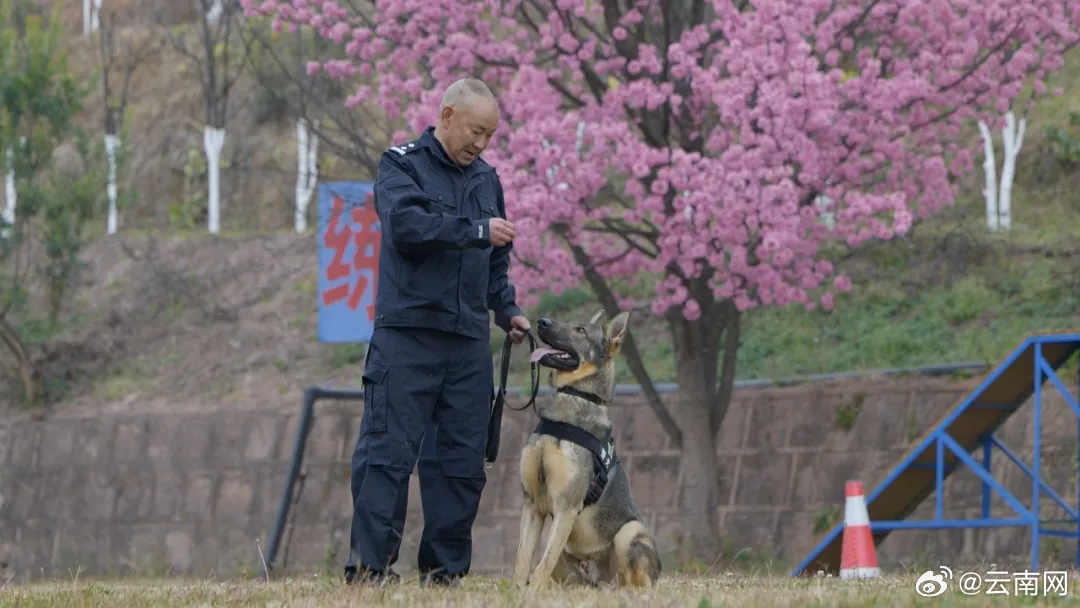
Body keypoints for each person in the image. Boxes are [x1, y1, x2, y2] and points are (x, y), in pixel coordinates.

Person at [344, 78, 531, 587]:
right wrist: (473, 230)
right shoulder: (401, 164)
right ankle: (369, 571)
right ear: (447, 116)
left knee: (462, 463)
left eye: (491, 135)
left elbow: (496, 262)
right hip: (408, 335)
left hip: (468, 341)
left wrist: (506, 309)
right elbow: (408, 226)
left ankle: (444, 575)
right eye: (476, 130)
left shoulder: (487, 180)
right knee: (386, 455)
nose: (482, 143)